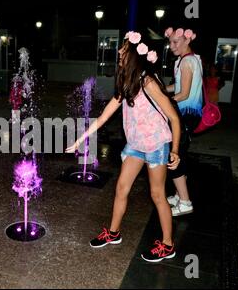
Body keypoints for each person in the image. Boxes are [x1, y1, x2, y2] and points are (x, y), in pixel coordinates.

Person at [66, 31, 182, 262]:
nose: (119, 52)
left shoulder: (149, 83)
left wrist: (175, 150)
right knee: (121, 188)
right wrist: (80, 139)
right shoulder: (128, 84)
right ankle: (113, 232)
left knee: (157, 194)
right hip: (136, 145)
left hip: (156, 144)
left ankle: (168, 244)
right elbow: (103, 118)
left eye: (125, 49)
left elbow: (174, 117)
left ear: (135, 56)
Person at [163, 27, 203, 216]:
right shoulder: (187, 59)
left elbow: (184, 93)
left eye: (175, 42)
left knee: (174, 155)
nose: (171, 46)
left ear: (187, 40)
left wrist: (163, 100)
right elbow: (177, 87)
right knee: (181, 154)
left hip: (186, 114)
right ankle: (180, 195)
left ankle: (185, 202)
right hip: (188, 114)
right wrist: (161, 89)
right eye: (170, 42)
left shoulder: (187, 61)